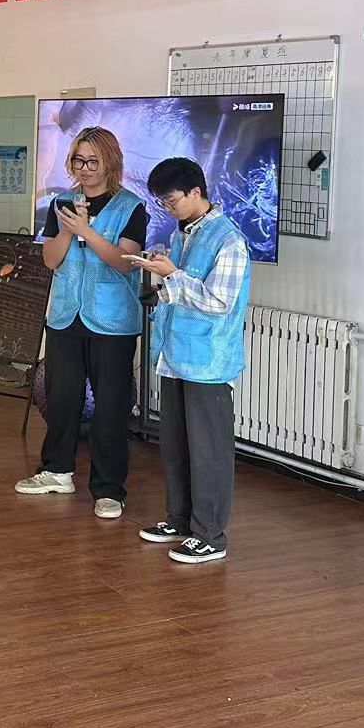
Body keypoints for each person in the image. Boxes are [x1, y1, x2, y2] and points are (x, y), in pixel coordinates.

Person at [17, 127, 148, 519]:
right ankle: (57, 470)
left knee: (111, 405)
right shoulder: (61, 203)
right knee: (62, 397)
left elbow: (124, 262)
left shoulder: (131, 207)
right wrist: (67, 229)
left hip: (112, 320)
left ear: (110, 162)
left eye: (93, 161)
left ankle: (108, 489)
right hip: (65, 315)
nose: (85, 168)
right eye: (79, 160)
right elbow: (50, 259)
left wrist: (87, 231)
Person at [136, 157, 251, 565]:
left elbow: (219, 301)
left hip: (208, 361)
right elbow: (181, 291)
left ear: (196, 192)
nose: (167, 209)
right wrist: (161, 275)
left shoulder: (229, 240)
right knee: (176, 446)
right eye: (162, 202)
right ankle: (180, 519)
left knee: (209, 452)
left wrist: (172, 275)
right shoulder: (183, 232)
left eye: (171, 201)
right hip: (175, 355)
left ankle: (210, 535)